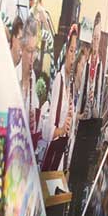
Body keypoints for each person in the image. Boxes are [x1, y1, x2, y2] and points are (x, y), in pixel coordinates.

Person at [41, 24, 79, 171]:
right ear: (65, 52)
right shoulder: (59, 79)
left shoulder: (71, 83)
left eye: (75, 52)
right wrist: (63, 130)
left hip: (62, 157)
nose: (73, 56)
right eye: (71, 51)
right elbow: (50, 130)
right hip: (53, 157)